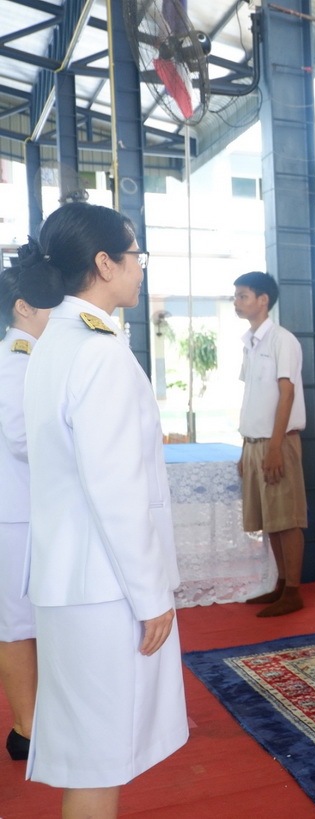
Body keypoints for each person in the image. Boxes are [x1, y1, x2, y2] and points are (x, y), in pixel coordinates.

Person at [15, 202, 187, 816]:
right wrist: (151, 594)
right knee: (99, 758)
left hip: (71, 578)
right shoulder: (98, 351)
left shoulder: (56, 341)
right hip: (103, 585)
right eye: (136, 255)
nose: (141, 267)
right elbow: (116, 490)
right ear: (105, 263)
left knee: (92, 755)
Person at [233, 271, 308, 617]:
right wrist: (245, 448)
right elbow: (252, 398)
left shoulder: (282, 340)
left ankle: (293, 591)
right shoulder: (250, 342)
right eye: (236, 296)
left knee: (286, 517)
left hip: (277, 442)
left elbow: (286, 394)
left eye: (243, 296)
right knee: (270, 518)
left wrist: (275, 447)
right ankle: (281, 584)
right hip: (255, 443)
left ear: (263, 300)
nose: (237, 302)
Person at [0, 265, 49, 762]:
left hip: (25, 510)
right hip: (13, 514)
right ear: (23, 306)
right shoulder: (17, 359)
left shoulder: (29, 355)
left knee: (28, 620)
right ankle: (25, 729)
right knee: (15, 624)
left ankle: (35, 721)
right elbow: (21, 439)